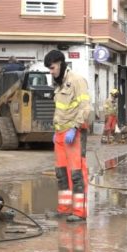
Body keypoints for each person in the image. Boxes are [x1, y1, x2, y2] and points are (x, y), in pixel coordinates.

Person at [45, 50, 90, 223]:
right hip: (60, 134)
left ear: (61, 64)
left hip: (74, 133)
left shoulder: (77, 81)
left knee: (77, 173)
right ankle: (64, 209)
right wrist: (56, 132)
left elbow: (86, 108)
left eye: (52, 67)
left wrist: (75, 127)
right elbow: (60, 110)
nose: (51, 71)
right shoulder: (59, 84)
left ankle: (79, 212)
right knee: (61, 173)